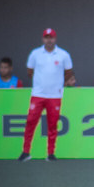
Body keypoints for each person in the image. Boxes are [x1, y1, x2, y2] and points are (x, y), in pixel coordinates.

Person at [20, 29, 75, 161]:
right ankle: (26, 152)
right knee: (31, 122)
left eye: (51, 37)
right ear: (43, 39)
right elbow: (30, 71)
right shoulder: (35, 54)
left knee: (52, 124)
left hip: (55, 96)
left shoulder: (63, 55)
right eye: (46, 37)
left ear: (55, 39)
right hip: (38, 94)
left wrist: (57, 83)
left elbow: (68, 72)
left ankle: (50, 153)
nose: (49, 40)